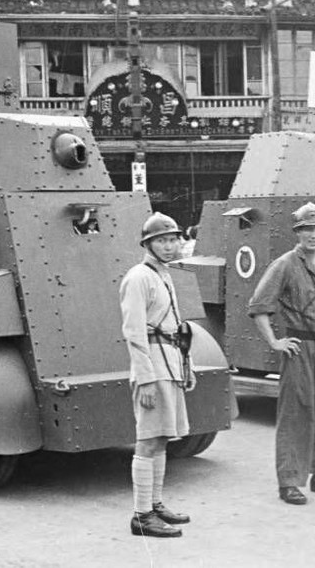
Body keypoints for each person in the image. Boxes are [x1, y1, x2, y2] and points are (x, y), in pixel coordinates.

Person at [247, 202, 315, 506]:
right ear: (298, 232)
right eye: (307, 229)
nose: (314, 235)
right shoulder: (285, 264)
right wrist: (275, 342)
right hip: (299, 347)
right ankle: (289, 481)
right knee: (296, 412)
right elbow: (258, 306)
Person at [119, 212, 196, 538]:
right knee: (148, 439)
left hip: (170, 363)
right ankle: (141, 515)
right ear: (147, 244)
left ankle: (155, 503)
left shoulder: (162, 274)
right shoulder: (138, 277)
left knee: (162, 436)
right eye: (161, 241)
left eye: (173, 240)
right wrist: (146, 378)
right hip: (153, 367)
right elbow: (134, 332)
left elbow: (175, 329)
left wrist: (186, 366)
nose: (169, 246)